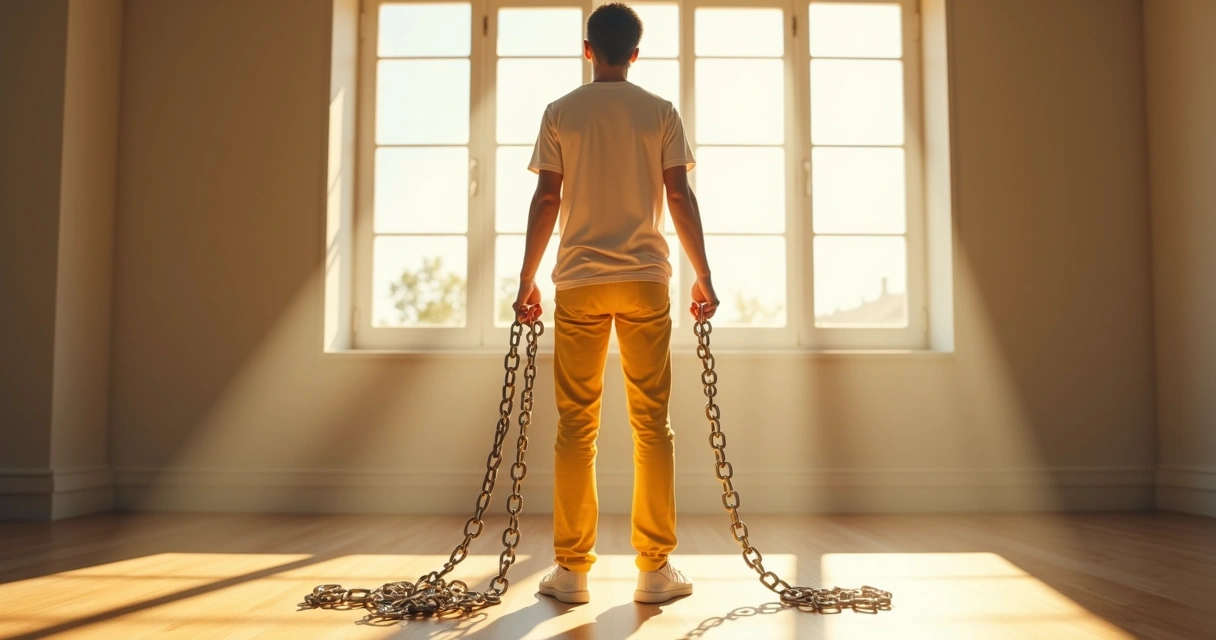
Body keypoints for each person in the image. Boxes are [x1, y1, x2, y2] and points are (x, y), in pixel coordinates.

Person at [511, 2, 719, 605]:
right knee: (651, 422)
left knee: (577, 425)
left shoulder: (559, 113)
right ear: (634, 53)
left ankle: (572, 573)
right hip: (645, 281)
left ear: (587, 49)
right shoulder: (660, 112)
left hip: (578, 281)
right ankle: (655, 571)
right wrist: (702, 275)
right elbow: (679, 195)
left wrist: (527, 279)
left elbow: (547, 201)